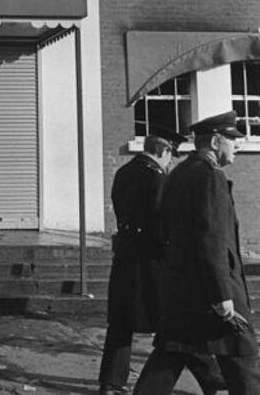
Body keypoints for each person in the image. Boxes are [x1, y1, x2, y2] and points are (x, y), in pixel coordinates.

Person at [133, 110, 260, 395]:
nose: (237, 145)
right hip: (212, 289)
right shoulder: (209, 176)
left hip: (183, 287)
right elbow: (211, 239)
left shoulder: (179, 172)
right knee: (242, 356)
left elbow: (168, 230)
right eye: (232, 139)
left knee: (171, 354)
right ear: (215, 142)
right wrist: (222, 295)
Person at [98, 128, 224, 395]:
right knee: (175, 321)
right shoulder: (158, 179)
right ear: (164, 151)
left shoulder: (123, 172)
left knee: (121, 322)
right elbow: (161, 220)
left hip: (125, 255)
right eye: (171, 155)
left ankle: (111, 381)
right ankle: (211, 378)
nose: (171, 161)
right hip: (153, 260)